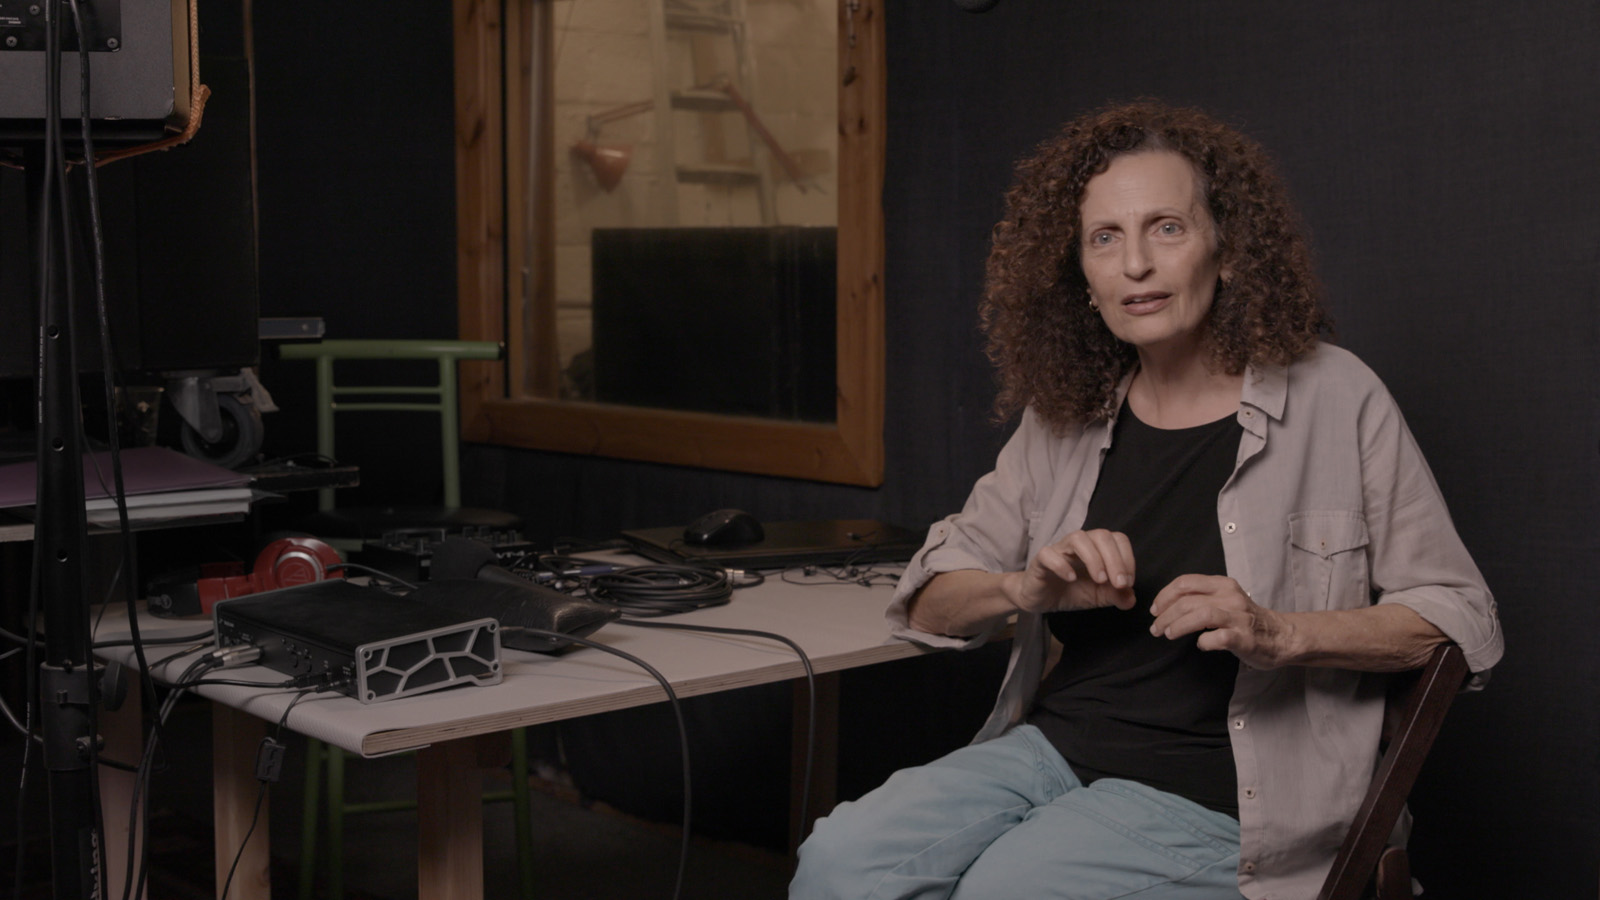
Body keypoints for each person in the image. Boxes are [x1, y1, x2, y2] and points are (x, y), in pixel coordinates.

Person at [789, 100, 1503, 900]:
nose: (1135, 264)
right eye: (1105, 237)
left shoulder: (1338, 396)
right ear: (1082, 277)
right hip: (1055, 752)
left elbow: (1460, 618)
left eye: (1167, 228)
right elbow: (929, 601)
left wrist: (1278, 633)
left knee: (1007, 889)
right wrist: (1023, 588)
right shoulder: (1064, 415)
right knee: (840, 862)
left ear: (1226, 251)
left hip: (1233, 794)